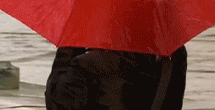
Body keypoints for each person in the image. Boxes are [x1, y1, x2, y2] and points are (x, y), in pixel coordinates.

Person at [45, 44, 187, 110]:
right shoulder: (172, 55)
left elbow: (58, 104)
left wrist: (69, 46)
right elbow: (172, 105)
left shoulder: (87, 65)